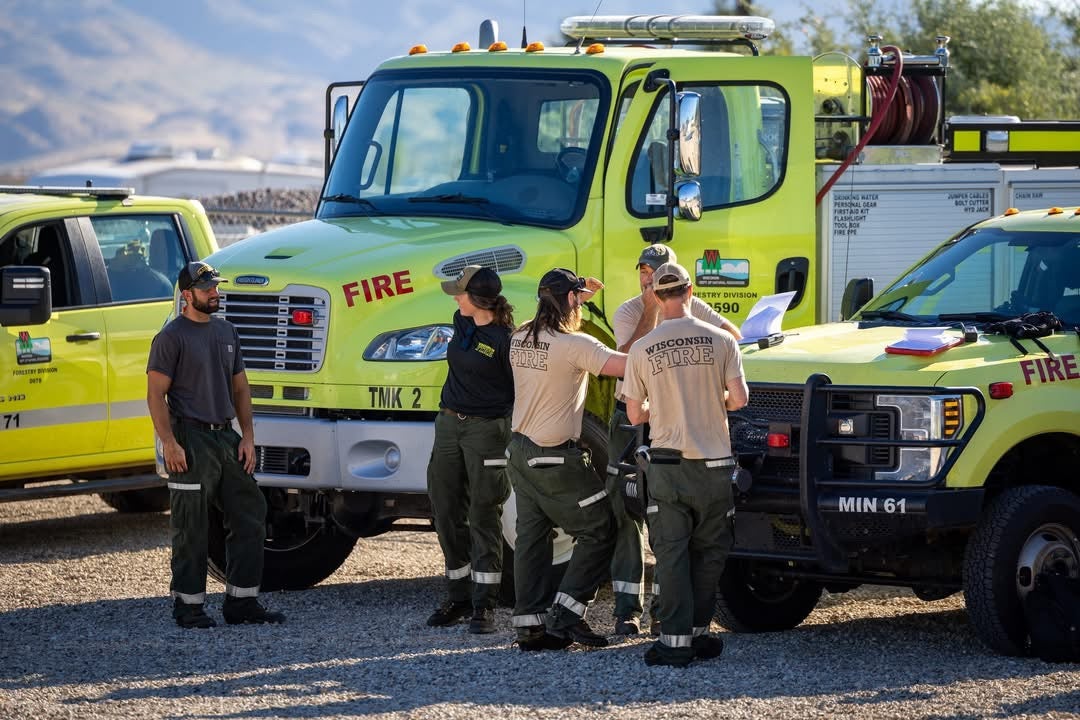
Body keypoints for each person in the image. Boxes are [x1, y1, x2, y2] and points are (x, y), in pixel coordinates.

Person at [607, 243, 741, 636]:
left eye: (657, 272)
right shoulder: (630, 310)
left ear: (677, 281)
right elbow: (626, 359)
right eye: (643, 270)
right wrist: (653, 309)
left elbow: (733, 335)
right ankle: (625, 609)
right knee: (627, 508)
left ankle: (664, 611)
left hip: (671, 421)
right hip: (633, 420)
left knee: (673, 518)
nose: (648, 277)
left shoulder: (691, 306)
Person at [147, 261, 284, 629]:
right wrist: (170, 444)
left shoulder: (227, 332)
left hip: (226, 437)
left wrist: (248, 438)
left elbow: (240, 388)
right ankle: (188, 607)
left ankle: (242, 603)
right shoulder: (171, 337)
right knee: (191, 524)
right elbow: (155, 396)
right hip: (190, 440)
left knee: (250, 513)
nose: (215, 292)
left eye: (216, 286)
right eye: (207, 288)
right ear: (187, 295)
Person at [506, 268, 625, 650]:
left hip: (520, 453)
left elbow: (553, 322)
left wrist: (574, 298)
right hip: (555, 459)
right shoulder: (576, 344)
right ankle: (567, 615)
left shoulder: (520, 335)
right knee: (600, 528)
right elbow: (623, 366)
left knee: (531, 538)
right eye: (576, 297)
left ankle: (530, 627)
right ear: (571, 300)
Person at [425, 265, 515, 635]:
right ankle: (458, 596)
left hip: (486, 431)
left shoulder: (505, 340)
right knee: (445, 510)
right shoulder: (462, 322)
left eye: (460, 292)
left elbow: (517, 394)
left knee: (483, 514)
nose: (454, 297)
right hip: (449, 425)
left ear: (478, 299)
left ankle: (484, 605)